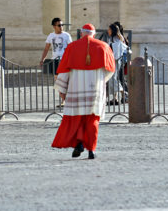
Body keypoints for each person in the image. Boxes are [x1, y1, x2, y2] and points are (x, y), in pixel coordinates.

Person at [51, 23, 115, 159]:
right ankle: (91, 149)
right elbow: (110, 70)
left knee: (78, 117)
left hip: (76, 88)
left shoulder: (72, 47)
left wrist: (62, 89)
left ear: (81, 33)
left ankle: (79, 144)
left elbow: (64, 70)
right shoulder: (104, 47)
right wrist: (100, 80)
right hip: (95, 89)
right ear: (94, 34)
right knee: (92, 119)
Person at [106, 23, 127, 105]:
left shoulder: (117, 38)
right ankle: (114, 98)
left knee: (113, 79)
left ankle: (123, 93)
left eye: (109, 29)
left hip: (115, 60)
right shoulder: (111, 38)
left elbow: (118, 51)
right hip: (113, 60)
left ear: (112, 30)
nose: (108, 31)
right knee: (113, 78)